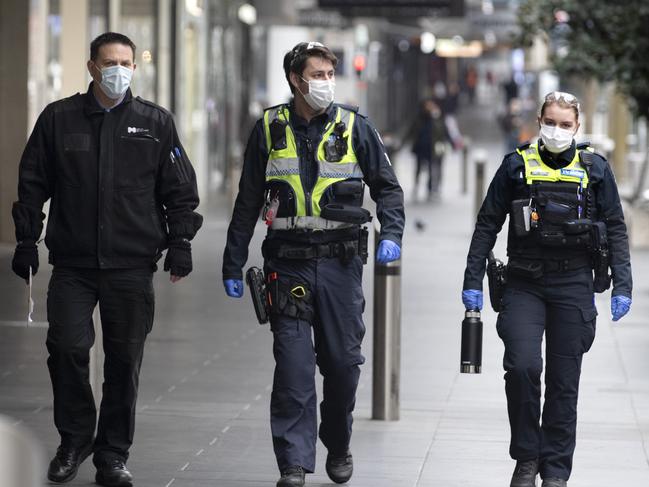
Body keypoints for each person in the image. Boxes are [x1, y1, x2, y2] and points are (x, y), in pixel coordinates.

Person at [11, 32, 202, 487]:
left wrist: (181, 243)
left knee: (123, 362)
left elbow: (179, 189)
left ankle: (112, 455)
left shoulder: (155, 122)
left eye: (127, 63)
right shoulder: (59, 119)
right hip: (73, 265)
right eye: (110, 61)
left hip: (131, 266)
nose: (119, 70)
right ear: (92, 66)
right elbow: (33, 182)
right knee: (67, 349)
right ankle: (75, 439)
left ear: (135, 67)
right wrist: (26, 240)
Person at [222, 41, 404, 487]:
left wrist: (393, 235)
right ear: (294, 79)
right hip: (288, 264)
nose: (325, 81)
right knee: (293, 367)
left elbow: (388, 189)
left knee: (342, 364)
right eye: (316, 74)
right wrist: (232, 261)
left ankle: (337, 442)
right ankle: (294, 463)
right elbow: (247, 201)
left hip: (341, 266)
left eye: (329, 73)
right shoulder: (268, 127)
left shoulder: (354, 125)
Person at [462, 91, 632, 487]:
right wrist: (472, 279)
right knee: (522, 368)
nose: (557, 130)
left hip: (573, 283)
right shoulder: (516, 166)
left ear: (578, 126)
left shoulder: (595, 169)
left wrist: (622, 284)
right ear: (539, 121)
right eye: (550, 122)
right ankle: (526, 457)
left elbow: (617, 228)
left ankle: (555, 470)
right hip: (524, 282)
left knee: (563, 381)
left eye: (565, 124)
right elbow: (488, 223)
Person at [408, 99, 453, 201]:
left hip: (431, 148)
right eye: (428, 105)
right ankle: (416, 185)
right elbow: (411, 131)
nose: (430, 107)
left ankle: (430, 189)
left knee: (432, 169)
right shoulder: (419, 118)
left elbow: (444, 131)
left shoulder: (437, 118)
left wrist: (452, 143)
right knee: (418, 168)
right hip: (420, 147)